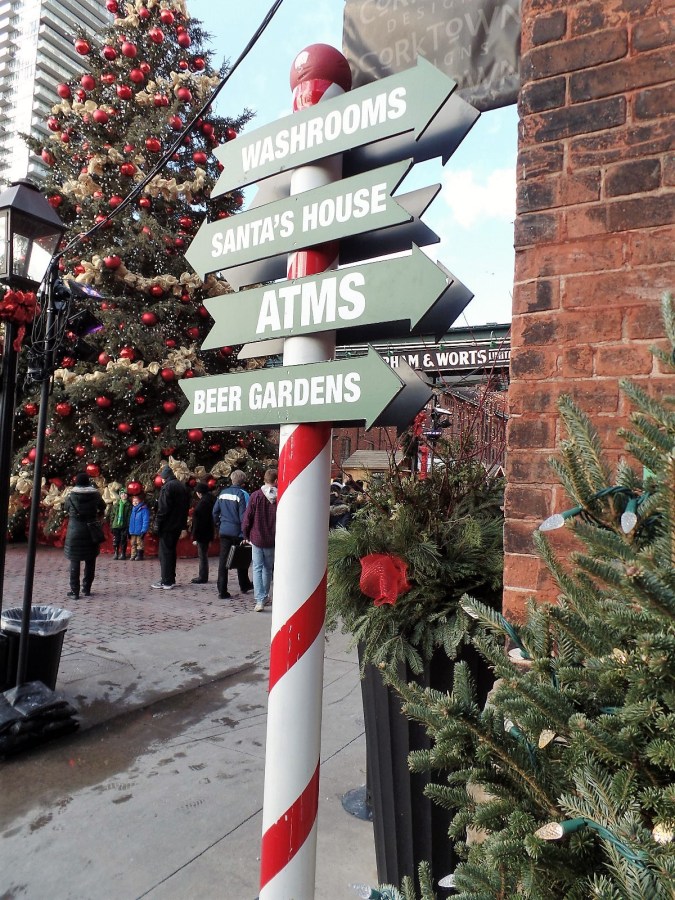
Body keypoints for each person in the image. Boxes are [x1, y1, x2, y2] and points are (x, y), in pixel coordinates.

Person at [63, 472, 105, 599]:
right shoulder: (96, 495)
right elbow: (102, 506)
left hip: (74, 532)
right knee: (90, 560)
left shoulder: (71, 496)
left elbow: (65, 508)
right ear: (88, 482)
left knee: (74, 561)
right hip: (91, 531)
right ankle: (86, 589)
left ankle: (74, 592)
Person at [212, 469, 252, 600]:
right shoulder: (241, 494)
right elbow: (243, 517)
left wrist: (219, 524)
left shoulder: (223, 493)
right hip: (237, 532)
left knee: (223, 561)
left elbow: (215, 512)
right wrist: (245, 533)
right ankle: (244, 585)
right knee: (241, 559)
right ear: (243, 482)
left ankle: (222, 590)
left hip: (224, 531)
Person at [242, 468, 277, 612]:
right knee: (267, 569)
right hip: (272, 538)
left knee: (257, 568)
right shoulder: (280, 497)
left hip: (256, 537)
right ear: (275, 481)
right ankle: (265, 595)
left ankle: (260, 599)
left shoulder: (256, 496)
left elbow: (248, 517)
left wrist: (245, 534)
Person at [151, 465, 190, 590]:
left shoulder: (167, 487)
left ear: (164, 478)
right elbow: (185, 507)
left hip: (167, 525)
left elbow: (163, 508)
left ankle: (166, 580)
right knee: (171, 551)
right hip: (177, 524)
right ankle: (170, 578)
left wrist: (157, 523)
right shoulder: (181, 486)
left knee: (165, 553)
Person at [190, 482, 216, 584]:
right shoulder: (212, 499)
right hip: (209, 530)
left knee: (202, 555)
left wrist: (195, 535)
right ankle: (203, 575)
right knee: (203, 554)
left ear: (199, 493)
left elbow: (198, 521)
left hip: (202, 532)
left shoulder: (202, 503)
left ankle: (203, 576)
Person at [109, 487, 131, 560]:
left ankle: (123, 553)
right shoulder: (116, 505)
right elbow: (112, 515)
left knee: (123, 540)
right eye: (122, 494)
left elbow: (129, 517)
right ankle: (116, 553)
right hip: (116, 525)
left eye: (125, 494)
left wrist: (128, 527)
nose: (123, 495)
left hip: (124, 525)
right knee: (116, 540)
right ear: (120, 495)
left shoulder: (129, 505)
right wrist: (111, 524)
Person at [128, 492, 150, 560]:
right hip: (133, 530)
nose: (135, 502)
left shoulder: (144, 509)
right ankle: (133, 555)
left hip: (140, 530)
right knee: (133, 543)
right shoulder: (133, 510)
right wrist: (129, 530)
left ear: (140, 501)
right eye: (134, 501)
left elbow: (145, 521)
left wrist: (144, 530)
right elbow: (130, 521)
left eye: (136, 501)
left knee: (139, 543)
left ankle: (139, 555)